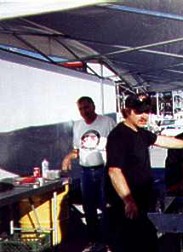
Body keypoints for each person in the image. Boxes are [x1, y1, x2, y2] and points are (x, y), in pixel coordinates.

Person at [105, 93, 183, 252]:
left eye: (147, 111)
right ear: (127, 111)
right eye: (139, 111)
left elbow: (162, 140)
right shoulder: (119, 135)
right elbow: (114, 171)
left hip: (143, 202)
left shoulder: (141, 133)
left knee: (148, 244)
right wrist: (128, 201)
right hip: (127, 206)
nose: (144, 115)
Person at [61, 96, 116, 252]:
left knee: (107, 207)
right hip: (86, 171)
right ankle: (93, 240)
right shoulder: (77, 126)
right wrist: (68, 157)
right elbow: (77, 150)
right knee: (88, 208)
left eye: (87, 107)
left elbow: (117, 145)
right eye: (81, 109)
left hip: (104, 170)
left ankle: (108, 242)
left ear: (93, 106)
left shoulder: (107, 122)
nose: (84, 111)